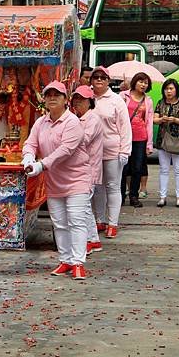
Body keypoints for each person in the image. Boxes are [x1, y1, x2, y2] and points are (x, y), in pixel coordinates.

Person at [22, 80, 92, 281]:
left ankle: (78, 262)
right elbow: (30, 142)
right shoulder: (41, 122)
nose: (52, 98)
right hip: (54, 181)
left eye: (57, 95)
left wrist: (41, 165)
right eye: (48, 95)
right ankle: (66, 259)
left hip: (76, 179)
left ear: (65, 99)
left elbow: (65, 150)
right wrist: (28, 156)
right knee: (59, 222)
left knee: (76, 221)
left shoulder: (72, 122)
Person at [91, 66, 132, 238]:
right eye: (96, 77)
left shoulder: (116, 100)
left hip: (112, 150)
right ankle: (100, 220)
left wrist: (125, 151)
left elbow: (125, 127)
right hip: (92, 152)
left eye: (103, 77)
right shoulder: (87, 98)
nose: (99, 80)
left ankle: (113, 223)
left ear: (108, 81)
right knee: (97, 187)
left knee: (113, 187)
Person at [70, 85, 104, 255]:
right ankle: (93, 240)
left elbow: (84, 140)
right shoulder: (78, 118)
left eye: (81, 100)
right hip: (80, 169)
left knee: (82, 208)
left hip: (88, 169)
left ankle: (88, 240)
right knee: (85, 208)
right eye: (76, 99)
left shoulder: (93, 119)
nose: (77, 103)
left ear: (90, 102)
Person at [154, 79, 179, 207]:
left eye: (171, 89)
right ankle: (162, 197)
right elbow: (154, 119)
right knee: (163, 169)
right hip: (162, 140)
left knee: (178, 169)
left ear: (176, 90)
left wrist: (175, 120)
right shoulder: (160, 103)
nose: (168, 91)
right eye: (166, 89)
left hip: (177, 140)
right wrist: (161, 119)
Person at [120, 73, 154, 208]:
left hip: (140, 137)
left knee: (137, 168)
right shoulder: (123, 96)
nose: (143, 85)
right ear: (134, 82)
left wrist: (149, 144)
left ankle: (134, 196)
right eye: (141, 81)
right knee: (123, 167)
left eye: (146, 83)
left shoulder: (148, 100)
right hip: (124, 137)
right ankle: (120, 196)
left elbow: (149, 122)